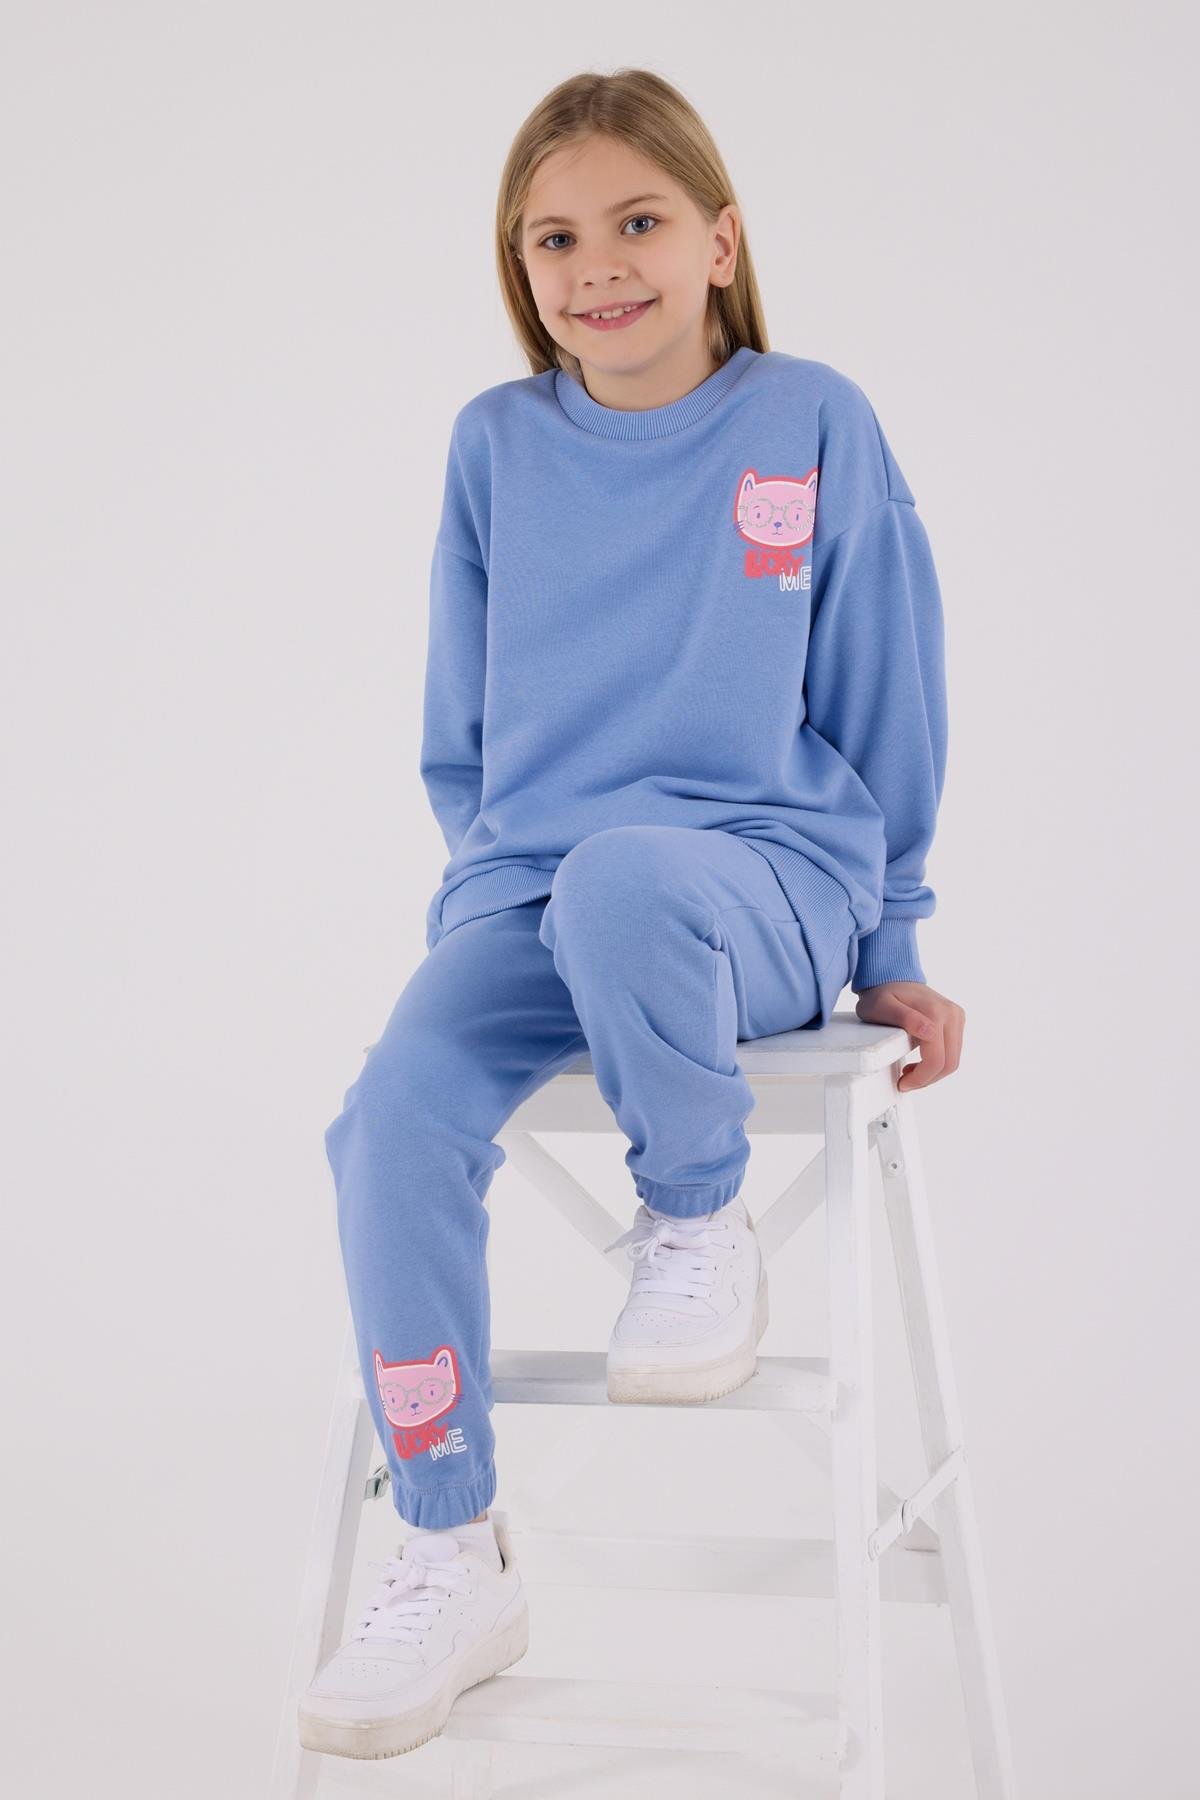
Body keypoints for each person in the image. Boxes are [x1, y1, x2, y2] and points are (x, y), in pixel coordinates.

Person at [299, 66, 965, 1760]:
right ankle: (450, 1542)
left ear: (720, 241)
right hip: (540, 891)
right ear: (518, 266)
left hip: (768, 883)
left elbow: (888, 690)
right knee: (391, 1113)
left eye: (640, 222)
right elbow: (460, 728)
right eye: (555, 239)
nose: (598, 266)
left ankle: (695, 1215)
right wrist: (481, 904)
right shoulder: (495, 447)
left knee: (629, 880)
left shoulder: (811, 419)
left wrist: (893, 942)